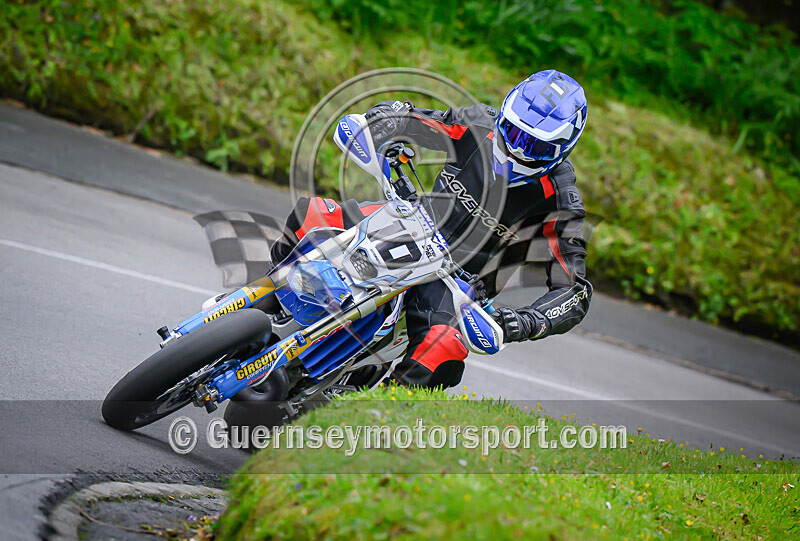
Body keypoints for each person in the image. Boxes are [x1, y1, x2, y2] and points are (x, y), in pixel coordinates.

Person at [272, 69, 592, 389]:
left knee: (442, 354)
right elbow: (408, 116)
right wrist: (384, 124)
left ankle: (368, 416)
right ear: (504, 113)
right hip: (407, 222)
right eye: (513, 131)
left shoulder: (561, 201)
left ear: (564, 147)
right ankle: (275, 298)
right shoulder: (478, 124)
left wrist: (524, 323)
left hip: (455, 283)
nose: (518, 150)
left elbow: (574, 292)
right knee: (310, 214)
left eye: (535, 146)